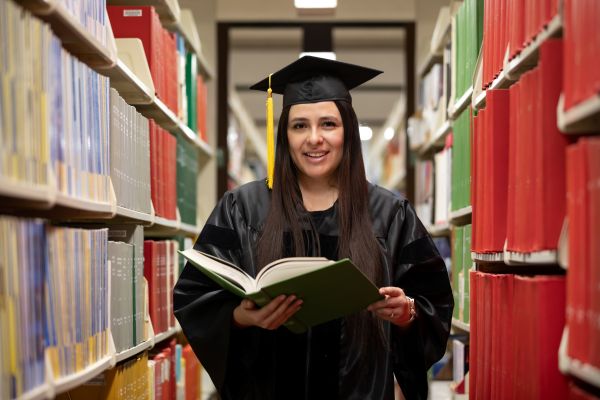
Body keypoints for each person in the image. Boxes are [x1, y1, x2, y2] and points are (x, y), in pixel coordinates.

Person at [174, 56, 453, 400]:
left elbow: (434, 305)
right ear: (285, 135)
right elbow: (193, 297)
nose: (314, 139)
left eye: (328, 124)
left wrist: (407, 313)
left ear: (347, 131)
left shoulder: (389, 213)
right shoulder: (242, 208)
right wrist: (241, 317)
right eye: (300, 126)